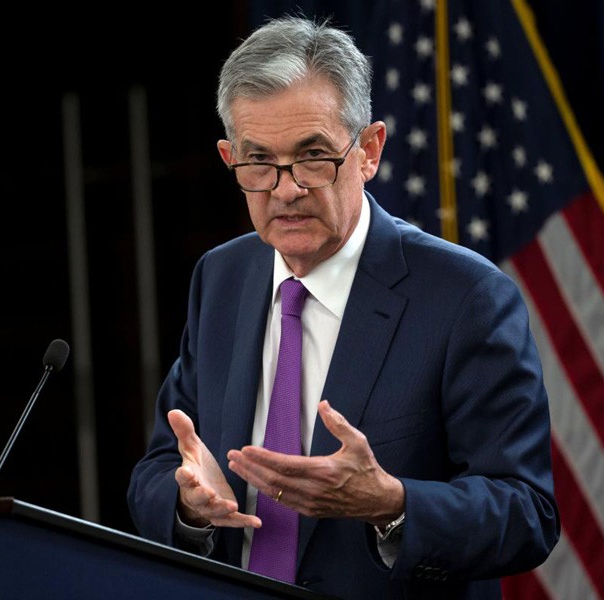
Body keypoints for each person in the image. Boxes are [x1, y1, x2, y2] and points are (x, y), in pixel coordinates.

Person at [128, 15, 559, 600]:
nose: (285, 189)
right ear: (230, 157)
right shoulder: (222, 277)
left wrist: (391, 504)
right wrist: (189, 503)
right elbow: (158, 468)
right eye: (259, 162)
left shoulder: (466, 298)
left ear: (369, 151)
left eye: (312, 156)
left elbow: (527, 512)